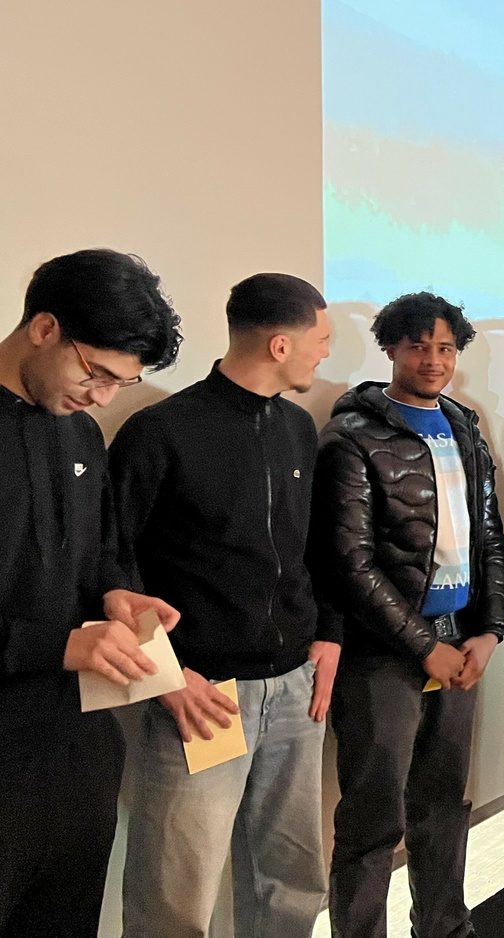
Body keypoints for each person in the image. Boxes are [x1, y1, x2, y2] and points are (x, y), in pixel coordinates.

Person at [111, 273, 337, 937]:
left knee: (291, 883)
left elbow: (311, 548)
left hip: (296, 690)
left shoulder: (298, 427)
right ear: (279, 345)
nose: (326, 353)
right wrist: (164, 674)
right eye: (321, 340)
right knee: (176, 897)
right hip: (205, 697)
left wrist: (328, 635)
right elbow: (109, 565)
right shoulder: (160, 432)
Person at [312, 293, 504, 938]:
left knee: (444, 807)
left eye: (445, 348)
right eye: (419, 346)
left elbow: (489, 538)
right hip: (382, 655)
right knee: (373, 820)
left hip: (462, 642)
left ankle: (445, 927)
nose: (433, 360)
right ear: (391, 348)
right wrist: (424, 646)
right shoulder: (352, 435)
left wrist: (491, 630)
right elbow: (349, 562)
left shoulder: (465, 427)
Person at [0, 249, 181, 937]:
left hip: (76, 746)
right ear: (44, 328)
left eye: (121, 383)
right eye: (96, 373)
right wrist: (58, 644)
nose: (102, 397)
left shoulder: (78, 433)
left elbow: (102, 551)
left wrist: (117, 596)